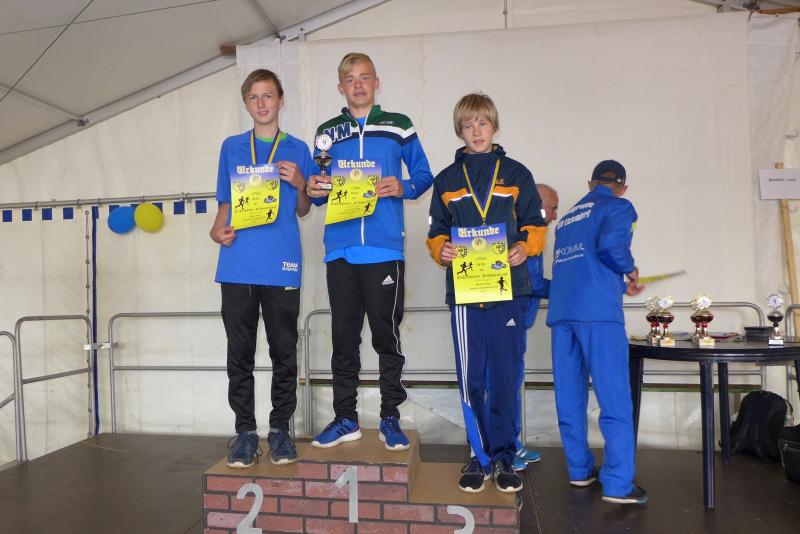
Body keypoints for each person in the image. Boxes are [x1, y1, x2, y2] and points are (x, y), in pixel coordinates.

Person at [306, 52, 434, 450]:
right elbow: (319, 186)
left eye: (364, 77)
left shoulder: (399, 125)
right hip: (340, 250)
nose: (358, 84)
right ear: (340, 87)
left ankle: (390, 417)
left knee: (386, 338)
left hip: (383, 248)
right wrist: (313, 188)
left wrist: (404, 186)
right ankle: (345, 418)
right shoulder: (327, 134)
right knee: (343, 339)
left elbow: (424, 174)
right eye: (350, 79)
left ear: (376, 83)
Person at [426, 93, 547, 493]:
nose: (476, 131)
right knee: (471, 377)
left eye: (482, 123)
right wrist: (441, 250)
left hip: (507, 290)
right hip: (465, 294)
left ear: (494, 126)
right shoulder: (446, 180)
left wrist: (525, 247)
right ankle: (479, 456)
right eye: (468, 125)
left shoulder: (517, 173)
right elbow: (436, 232)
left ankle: (504, 456)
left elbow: (535, 224)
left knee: (505, 375)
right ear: (459, 131)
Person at [210, 69, 316, 468]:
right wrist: (216, 230)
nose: (261, 103)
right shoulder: (232, 147)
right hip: (238, 265)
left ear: (281, 100)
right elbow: (226, 201)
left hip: (282, 265)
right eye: (253, 97)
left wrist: (301, 183)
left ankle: (280, 431)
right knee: (239, 354)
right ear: (246, 103)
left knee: (283, 352)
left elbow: (304, 209)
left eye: (268, 96)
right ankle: (244, 433)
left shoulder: (298, 148)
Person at [546, 160, 647, 504]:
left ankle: (579, 471)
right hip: (599, 316)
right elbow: (609, 248)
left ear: (590, 183)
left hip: (563, 314)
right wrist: (630, 270)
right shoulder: (620, 206)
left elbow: (578, 267)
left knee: (569, 397)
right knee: (614, 397)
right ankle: (618, 484)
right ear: (623, 187)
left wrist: (617, 281)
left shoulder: (567, 219)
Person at [512, 183, 559, 472]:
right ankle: (501, 447)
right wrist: (569, 286)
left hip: (519, 324)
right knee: (504, 385)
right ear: (538, 203)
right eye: (553, 208)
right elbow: (531, 283)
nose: (555, 215)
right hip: (508, 321)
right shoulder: (522, 233)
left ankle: (512, 443)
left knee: (512, 383)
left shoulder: (534, 234)